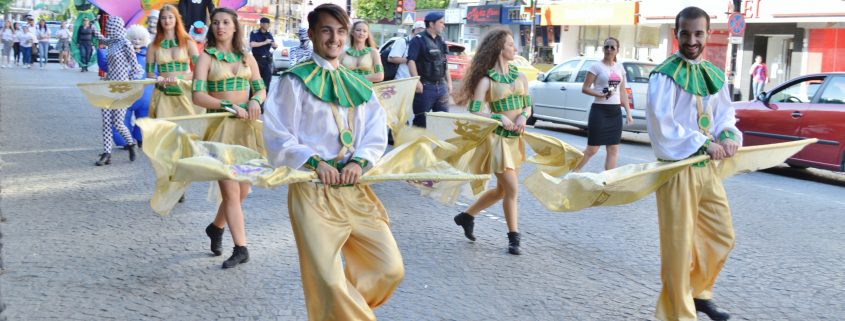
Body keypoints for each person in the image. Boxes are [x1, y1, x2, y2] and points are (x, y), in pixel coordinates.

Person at [262, 4, 404, 320]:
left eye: (341, 31)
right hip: (312, 188)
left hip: (353, 187)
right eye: (326, 30)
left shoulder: (360, 84)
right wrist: (314, 163)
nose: (334, 38)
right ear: (311, 33)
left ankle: (342, 314)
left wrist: (361, 162)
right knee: (327, 280)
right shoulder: (293, 81)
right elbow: (276, 133)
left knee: (389, 268)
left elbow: (375, 131)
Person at [645, 6, 741, 321]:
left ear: (707, 34)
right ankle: (678, 314)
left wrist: (727, 135)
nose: (691, 40)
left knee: (721, 234)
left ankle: (698, 293)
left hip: (706, 170)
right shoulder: (664, 75)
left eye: (698, 33)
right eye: (685, 33)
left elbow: (725, 114)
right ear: (677, 34)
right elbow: (663, 125)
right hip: (677, 171)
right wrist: (703, 143)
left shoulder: (714, 74)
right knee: (678, 246)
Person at [192, 7, 266, 269]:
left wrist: (256, 101)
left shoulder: (247, 57)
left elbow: (259, 88)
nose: (220, 27)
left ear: (235, 27)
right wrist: (227, 107)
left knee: (243, 189)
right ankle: (241, 247)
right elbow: (197, 96)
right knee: (231, 190)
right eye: (215, 23)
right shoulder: (206, 58)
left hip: (246, 129)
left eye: (225, 22)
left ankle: (216, 227)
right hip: (220, 129)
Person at [451, 28, 531, 255]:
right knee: (512, 190)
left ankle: (466, 217)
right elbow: (475, 111)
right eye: (510, 45)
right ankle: (514, 238)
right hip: (497, 142)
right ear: (499, 48)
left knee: (500, 191)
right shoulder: (486, 81)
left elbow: (528, 105)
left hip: (515, 140)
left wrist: (524, 116)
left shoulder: (520, 76)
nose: (514, 48)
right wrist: (498, 117)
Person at [573, 37, 633, 172]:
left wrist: (628, 112)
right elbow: (585, 88)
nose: (609, 50)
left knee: (613, 149)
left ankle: (608, 181)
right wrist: (598, 94)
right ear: (603, 49)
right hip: (599, 111)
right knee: (592, 149)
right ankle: (573, 172)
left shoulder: (620, 68)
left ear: (617, 50)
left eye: (612, 47)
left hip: (615, 112)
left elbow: (623, 92)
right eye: (606, 47)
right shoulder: (596, 67)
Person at [94, 16, 143, 166]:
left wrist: (130, 84)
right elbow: (103, 39)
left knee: (118, 122)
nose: (108, 29)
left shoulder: (125, 43)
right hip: (109, 86)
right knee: (106, 122)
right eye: (107, 27)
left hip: (121, 88)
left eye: (110, 27)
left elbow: (135, 67)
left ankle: (130, 144)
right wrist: (94, 30)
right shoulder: (112, 42)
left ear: (117, 27)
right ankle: (107, 153)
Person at [147, 4, 201, 118]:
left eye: (170, 17)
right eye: (163, 18)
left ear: (177, 19)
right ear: (159, 21)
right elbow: (149, 74)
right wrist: (157, 78)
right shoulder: (152, 46)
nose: (167, 21)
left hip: (185, 93)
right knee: (164, 131)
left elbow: (199, 71)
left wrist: (179, 78)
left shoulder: (188, 41)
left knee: (188, 131)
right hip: (163, 94)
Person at [407, 11, 452, 128]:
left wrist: (449, 83)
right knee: (421, 122)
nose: (443, 25)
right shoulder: (418, 40)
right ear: (431, 24)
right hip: (425, 87)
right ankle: (417, 146)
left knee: (443, 121)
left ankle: (438, 146)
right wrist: (416, 81)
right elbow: (411, 60)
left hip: (441, 86)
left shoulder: (441, 40)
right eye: (441, 22)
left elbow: (444, 62)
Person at [249, 17, 276, 91]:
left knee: (266, 82)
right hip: (257, 60)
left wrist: (274, 45)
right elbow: (252, 44)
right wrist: (265, 42)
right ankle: (253, 100)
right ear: (262, 24)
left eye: (268, 24)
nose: (268, 25)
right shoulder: (254, 33)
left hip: (267, 61)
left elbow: (274, 46)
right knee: (255, 83)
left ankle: (263, 100)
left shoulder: (269, 34)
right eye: (266, 24)